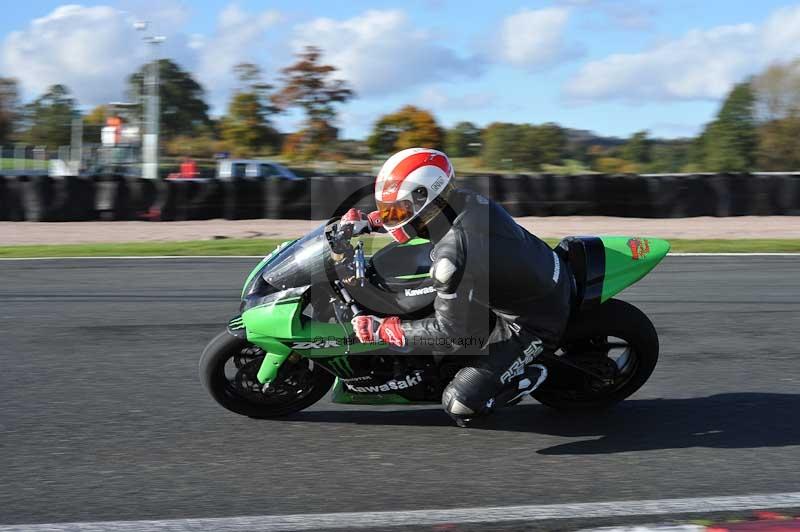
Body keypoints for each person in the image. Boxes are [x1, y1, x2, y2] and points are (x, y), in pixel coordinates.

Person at [341, 148, 572, 427]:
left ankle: (527, 375)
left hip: (532, 318)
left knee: (460, 405)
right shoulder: (457, 200)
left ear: (427, 199)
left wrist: (385, 329)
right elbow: (411, 214)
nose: (395, 214)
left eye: (401, 207)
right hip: (528, 274)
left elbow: (453, 334)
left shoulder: (454, 256)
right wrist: (370, 221)